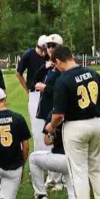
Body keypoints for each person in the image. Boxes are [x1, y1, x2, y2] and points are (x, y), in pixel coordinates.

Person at [45, 45, 100, 199]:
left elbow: (59, 114)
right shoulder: (93, 73)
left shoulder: (62, 80)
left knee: (79, 172)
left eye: (56, 64)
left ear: (59, 61)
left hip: (75, 126)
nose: (57, 67)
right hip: (96, 123)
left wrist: (51, 126)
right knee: (96, 168)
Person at [34, 33, 64, 190]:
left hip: (56, 108)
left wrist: (47, 88)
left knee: (56, 142)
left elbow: (62, 90)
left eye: (53, 46)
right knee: (49, 141)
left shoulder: (61, 67)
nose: (50, 49)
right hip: (46, 107)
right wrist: (42, 68)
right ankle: (55, 177)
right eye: (48, 46)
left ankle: (56, 179)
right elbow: (34, 81)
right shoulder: (49, 66)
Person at [29, 111, 75, 199]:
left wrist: (52, 131)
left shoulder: (53, 113)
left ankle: (41, 195)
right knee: (74, 196)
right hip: (79, 159)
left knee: (33, 158)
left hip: (61, 159)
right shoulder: (79, 111)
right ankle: (74, 197)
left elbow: (47, 141)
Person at [16, 35, 48, 152]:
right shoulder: (28, 55)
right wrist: (27, 89)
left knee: (48, 124)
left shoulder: (48, 56)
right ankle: (39, 153)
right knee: (36, 126)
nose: (44, 53)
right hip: (34, 92)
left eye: (45, 51)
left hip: (48, 91)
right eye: (42, 50)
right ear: (38, 47)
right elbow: (18, 73)